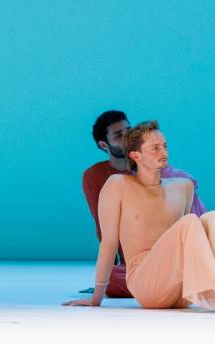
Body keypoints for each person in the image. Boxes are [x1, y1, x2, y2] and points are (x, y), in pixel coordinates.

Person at [64, 121, 215, 316]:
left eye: (165, 146)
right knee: (188, 223)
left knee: (212, 217)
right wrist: (96, 298)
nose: (164, 152)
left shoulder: (183, 186)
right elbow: (109, 243)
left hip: (181, 291)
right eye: (155, 148)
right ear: (136, 155)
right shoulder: (118, 185)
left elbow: (191, 245)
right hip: (146, 286)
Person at [81, 110, 205, 298]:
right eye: (118, 135)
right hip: (136, 266)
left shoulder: (178, 181)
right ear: (103, 144)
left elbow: (198, 229)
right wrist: (102, 285)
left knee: (208, 221)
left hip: (174, 260)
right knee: (114, 277)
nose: (127, 137)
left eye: (128, 130)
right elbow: (105, 234)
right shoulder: (98, 178)